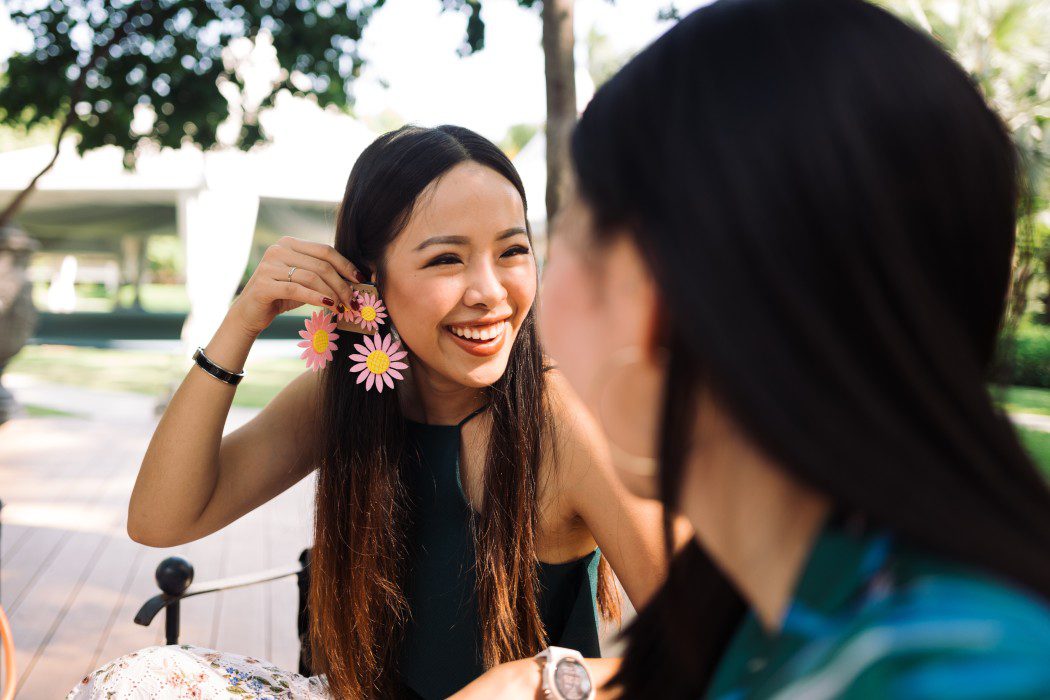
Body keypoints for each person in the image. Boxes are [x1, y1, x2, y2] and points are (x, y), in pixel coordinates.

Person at [452, 0, 1050, 698]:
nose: (515, 303)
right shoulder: (786, 608)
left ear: (653, 303)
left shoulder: (957, 673)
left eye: (557, 243)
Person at [68, 125, 669, 699]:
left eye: (513, 250)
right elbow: (159, 519)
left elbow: (730, 649)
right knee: (140, 682)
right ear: (366, 283)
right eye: (446, 260)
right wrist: (241, 321)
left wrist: (539, 682)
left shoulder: (563, 423)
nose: (490, 292)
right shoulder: (351, 399)